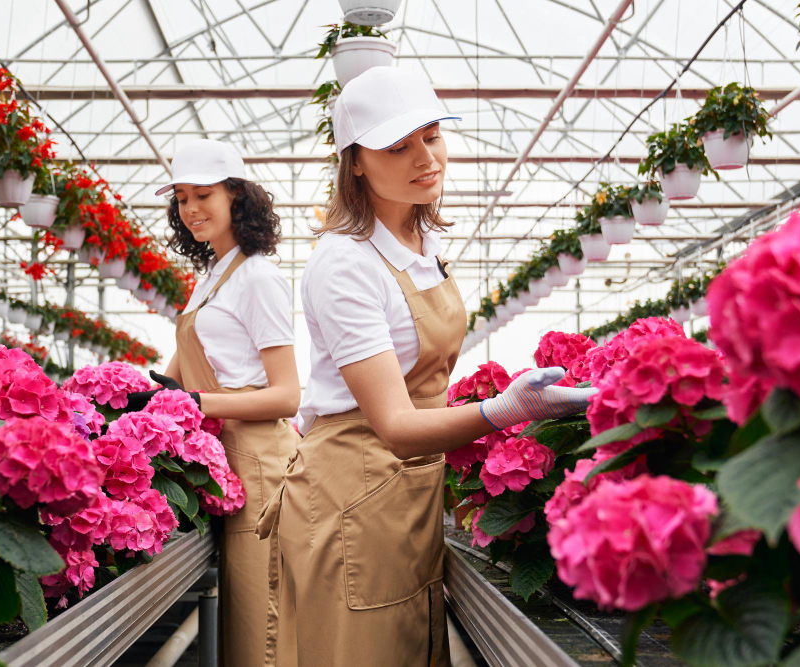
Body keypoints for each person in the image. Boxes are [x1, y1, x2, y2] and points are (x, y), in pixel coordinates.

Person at [256, 67, 596, 667]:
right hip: (353, 490)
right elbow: (394, 421)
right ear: (354, 162)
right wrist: (504, 411)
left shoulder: (419, 238)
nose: (425, 158)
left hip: (404, 490)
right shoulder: (346, 265)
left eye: (431, 136)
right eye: (397, 146)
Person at [145, 139, 301, 667]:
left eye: (203, 195)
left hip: (258, 465)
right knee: (238, 623)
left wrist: (191, 403)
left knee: (263, 626)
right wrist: (131, 402)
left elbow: (287, 394)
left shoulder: (258, 277)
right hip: (225, 461)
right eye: (182, 198)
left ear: (238, 196)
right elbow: (177, 369)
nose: (190, 209)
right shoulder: (212, 276)